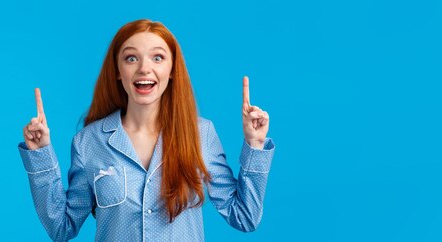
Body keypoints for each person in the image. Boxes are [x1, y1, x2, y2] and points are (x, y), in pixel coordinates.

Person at [18, 19, 275, 241]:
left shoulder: (201, 134)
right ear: (118, 71)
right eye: (131, 58)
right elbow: (61, 228)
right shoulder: (89, 142)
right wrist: (40, 156)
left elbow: (245, 217)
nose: (144, 68)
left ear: (172, 70)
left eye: (158, 57)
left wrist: (255, 146)